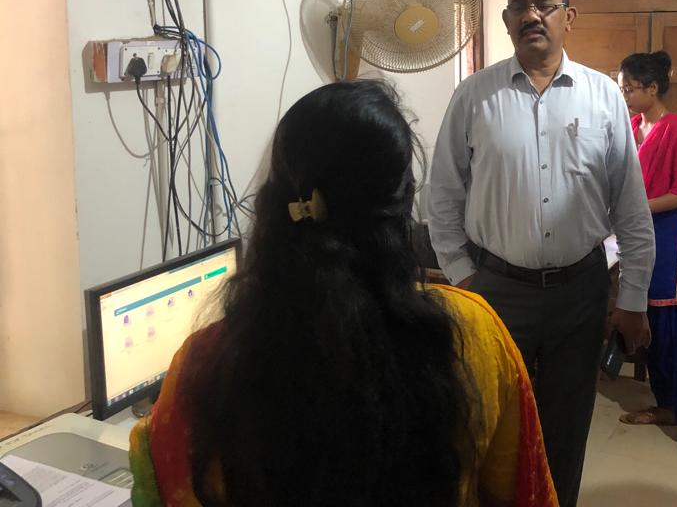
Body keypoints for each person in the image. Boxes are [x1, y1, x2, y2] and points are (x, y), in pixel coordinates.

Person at [128, 81, 558, 507]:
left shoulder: (206, 365)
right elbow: (526, 493)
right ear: (402, 203)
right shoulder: (474, 336)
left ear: (275, 203)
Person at [427, 0, 656, 507]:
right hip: (495, 292)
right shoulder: (474, 97)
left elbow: (630, 205)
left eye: (545, 5)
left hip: (579, 293)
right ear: (506, 20)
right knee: (488, 421)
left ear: (568, 17)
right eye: (520, 7)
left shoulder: (603, 96)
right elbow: (442, 197)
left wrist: (633, 298)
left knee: (565, 427)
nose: (532, 15)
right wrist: (464, 277)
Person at [615, 51, 677, 470]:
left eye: (629, 88)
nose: (624, 95)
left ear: (652, 88)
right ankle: (667, 405)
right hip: (642, 238)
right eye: (622, 88)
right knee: (649, 326)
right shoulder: (633, 127)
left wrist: (632, 210)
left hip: (676, 237)